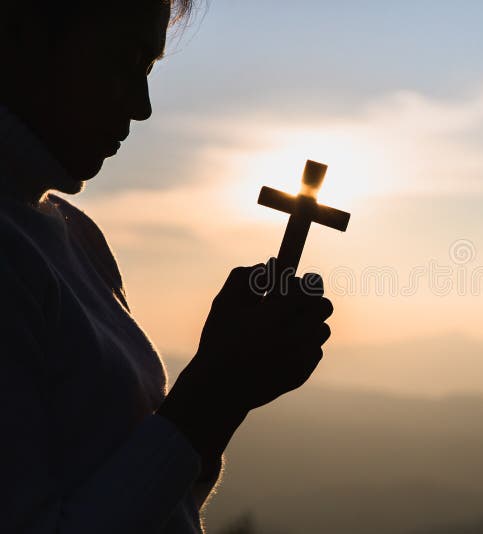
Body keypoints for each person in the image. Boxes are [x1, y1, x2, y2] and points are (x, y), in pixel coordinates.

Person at [0, 1, 333, 532]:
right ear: (19, 32)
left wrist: (222, 402)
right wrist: (211, 391)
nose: (142, 106)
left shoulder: (76, 237)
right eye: (123, 61)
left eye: (149, 69)